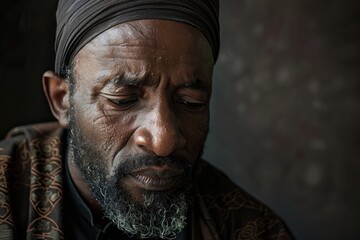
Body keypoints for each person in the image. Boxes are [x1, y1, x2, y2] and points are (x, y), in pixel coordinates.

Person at [0, 0, 294, 239]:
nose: (163, 140)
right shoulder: (7, 198)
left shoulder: (251, 229)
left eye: (190, 102)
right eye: (122, 100)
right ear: (62, 100)